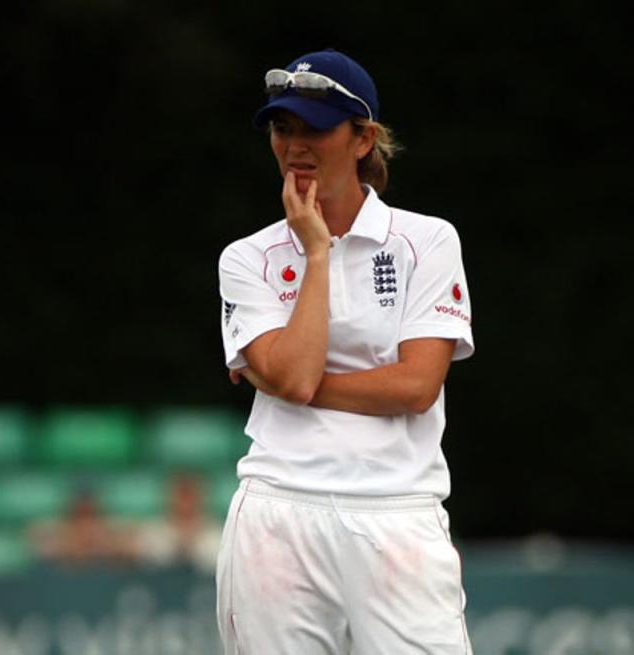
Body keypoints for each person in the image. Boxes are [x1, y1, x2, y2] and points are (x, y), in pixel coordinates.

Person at [216, 48, 475, 654]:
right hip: (278, 514)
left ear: (363, 139)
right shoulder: (246, 257)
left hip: (397, 515)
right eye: (284, 128)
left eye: (317, 129)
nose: (296, 145)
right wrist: (317, 254)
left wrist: (279, 381)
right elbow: (297, 376)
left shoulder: (427, 240)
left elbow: (415, 388)